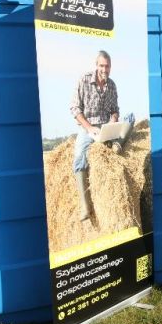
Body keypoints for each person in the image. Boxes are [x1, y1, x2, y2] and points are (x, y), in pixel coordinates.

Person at [70, 50, 121, 221]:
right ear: (96, 65)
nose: (104, 69)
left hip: (106, 126)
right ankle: (85, 206)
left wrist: (113, 120)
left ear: (110, 67)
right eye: (101, 65)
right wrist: (89, 127)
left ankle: (116, 142)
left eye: (107, 66)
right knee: (79, 157)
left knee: (130, 120)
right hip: (88, 127)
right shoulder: (84, 80)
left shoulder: (112, 85)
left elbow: (115, 110)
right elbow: (75, 109)